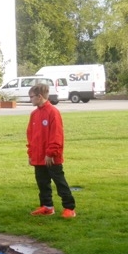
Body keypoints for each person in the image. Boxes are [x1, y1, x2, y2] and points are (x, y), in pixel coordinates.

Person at [27, 83, 76, 218]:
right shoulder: (34, 114)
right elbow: (31, 135)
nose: (30, 99)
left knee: (59, 182)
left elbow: (56, 135)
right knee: (42, 183)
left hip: (52, 157)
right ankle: (47, 206)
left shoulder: (53, 112)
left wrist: (50, 153)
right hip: (38, 156)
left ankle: (69, 208)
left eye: (31, 97)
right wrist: (31, 153)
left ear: (39, 96)